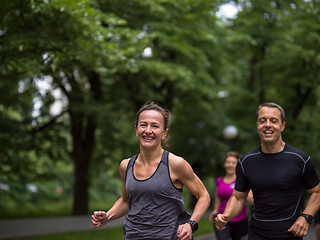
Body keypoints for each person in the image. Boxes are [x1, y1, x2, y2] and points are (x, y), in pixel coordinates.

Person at [91, 102, 210, 240]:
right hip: (133, 236)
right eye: (143, 125)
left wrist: (190, 224)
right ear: (136, 130)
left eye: (155, 126)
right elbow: (126, 200)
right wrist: (107, 216)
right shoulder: (126, 165)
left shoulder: (176, 164)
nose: (148, 130)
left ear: (164, 133)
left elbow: (203, 196)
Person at [215, 102, 320, 240]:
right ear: (257, 125)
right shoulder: (246, 161)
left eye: (274, 121)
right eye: (262, 120)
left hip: (289, 234)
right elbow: (238, 197)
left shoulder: (300, 159)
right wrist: (225, 216)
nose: (268, 125)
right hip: (256, 234)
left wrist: (306, 217)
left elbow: (316, 192)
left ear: (282, 126)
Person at [209, 151, 253, 240]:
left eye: (233, 163)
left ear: (238, 165)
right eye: (228, 162)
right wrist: (215, 210)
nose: (230, 165)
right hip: (222, 218)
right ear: (224, 164)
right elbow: (218, 196)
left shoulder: (242, 181)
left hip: (239, 219)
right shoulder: (219, 180)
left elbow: (250, 200)